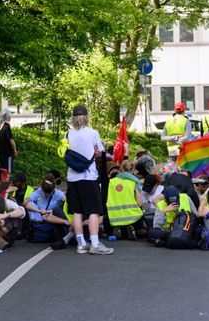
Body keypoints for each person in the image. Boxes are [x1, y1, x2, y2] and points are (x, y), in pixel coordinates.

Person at [66, 105, 113, 255]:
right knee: (94, 210)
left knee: (77, 211)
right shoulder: (93, 133)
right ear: (86, 117)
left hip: (72, 177)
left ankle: (81, 244)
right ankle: (95, 243)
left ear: (73, 118)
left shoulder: (68, 134)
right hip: (88, 176)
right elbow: (99, 152)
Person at [24, 179, 71, 245]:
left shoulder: (59, 193)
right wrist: (39, 211)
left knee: (56, 209)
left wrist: (51, 211)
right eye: (46, 193)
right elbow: (25, 203)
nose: (48, 194)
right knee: (30, 204)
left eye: (50, 192)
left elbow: (67, 203)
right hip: (40, 216)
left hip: (52, 217)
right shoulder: (38, 192)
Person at [105, 163, 145, 238]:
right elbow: (140, 203)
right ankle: (130, 227)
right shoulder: (134, 182)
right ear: (133, 170)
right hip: (132, 217)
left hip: (113, 217)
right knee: (141, 221)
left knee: (112, 222)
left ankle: (119, 228)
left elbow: (107, 200)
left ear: (120, 169)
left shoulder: (111, 182)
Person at [0, 109, 18, 174]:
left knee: (3, 171)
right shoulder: (7, 126)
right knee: (8, 172)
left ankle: (3, 183)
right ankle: (7, 184)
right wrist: (15, 150)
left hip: (1, 154)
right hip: (8, 154)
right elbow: (11, 140)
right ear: (8, 117)